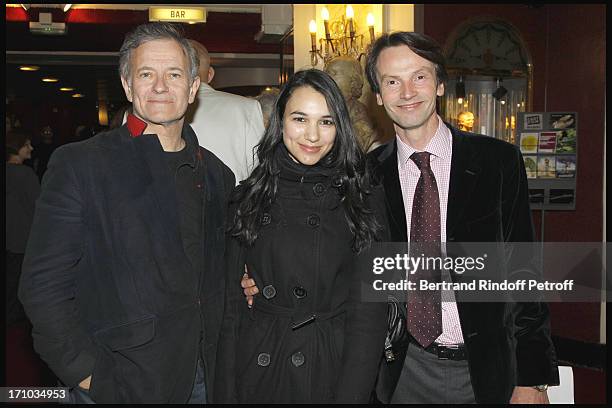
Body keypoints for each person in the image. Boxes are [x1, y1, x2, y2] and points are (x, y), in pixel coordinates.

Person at [19, 22, 235, 404]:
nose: (160, 86)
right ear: (127, 85)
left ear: (193, 86)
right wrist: (88, 376)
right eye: (146, 74)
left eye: (173, 74)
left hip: (204, 377)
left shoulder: (218, 174)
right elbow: (42, 287)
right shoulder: (81, 164)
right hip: (119, 380)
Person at [363, 31, 559, 404]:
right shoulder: (363, 175)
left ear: (439, 84)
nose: (407, 91)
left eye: (419, 76)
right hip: (400, 373)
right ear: (378, 95)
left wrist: (532, 379)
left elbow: (524, 273)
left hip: (486, 372)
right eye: (392, 81)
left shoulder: (498, 163)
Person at [214, 69, 389, 403]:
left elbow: (369, 318)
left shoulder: (362, 197)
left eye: (326, 121)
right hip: (260, 368)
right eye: (300, 118)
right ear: (279, 122)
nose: (312, 135)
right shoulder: (245, 199)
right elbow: (230, 315)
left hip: (329, 369)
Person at [186, 40, 265, 184]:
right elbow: (260, 171)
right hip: (234, 203)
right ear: (210, 75)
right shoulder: (247, 108)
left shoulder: (157, 110)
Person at [324, 56, 379, 153]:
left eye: (333, 73)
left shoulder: (363, 120)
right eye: (326, 73)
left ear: (353, 81)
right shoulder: (318, 109)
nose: (326, 78)